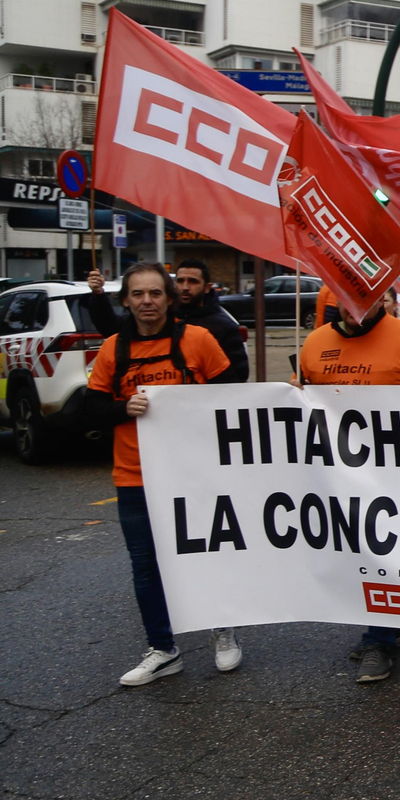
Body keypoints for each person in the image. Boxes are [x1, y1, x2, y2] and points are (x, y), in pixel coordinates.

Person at [86, 263, 239, 687]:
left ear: (170, 299)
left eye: (155, 293)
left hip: (194, 474)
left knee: (207, 555)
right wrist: (123, 408)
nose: (147, 301)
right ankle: (162, 648)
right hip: (135, 477)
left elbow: (233, 395)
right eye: (138, 294)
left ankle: (222, 630)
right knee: (146, 567)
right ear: (126, 301)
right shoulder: (112, 349)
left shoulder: (198, 340)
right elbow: (91, 407)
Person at [298, 285, 400, 682]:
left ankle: (379, 640)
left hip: (395, 477)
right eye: (348, 299)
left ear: (384, 299)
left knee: (382, 553)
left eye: (367, 299)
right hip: (339, 474)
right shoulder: (315, 344)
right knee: (357, 555)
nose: (357, 307)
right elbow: (305, 405)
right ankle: (384, 626)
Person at [85, 260, 250, 384]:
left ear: (207, 287)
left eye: (192, 281)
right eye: (180, 281)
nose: (185, 287)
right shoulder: (157, 318)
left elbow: (234, 380)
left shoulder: (221, 327)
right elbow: (111, 327)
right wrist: (98, 295)